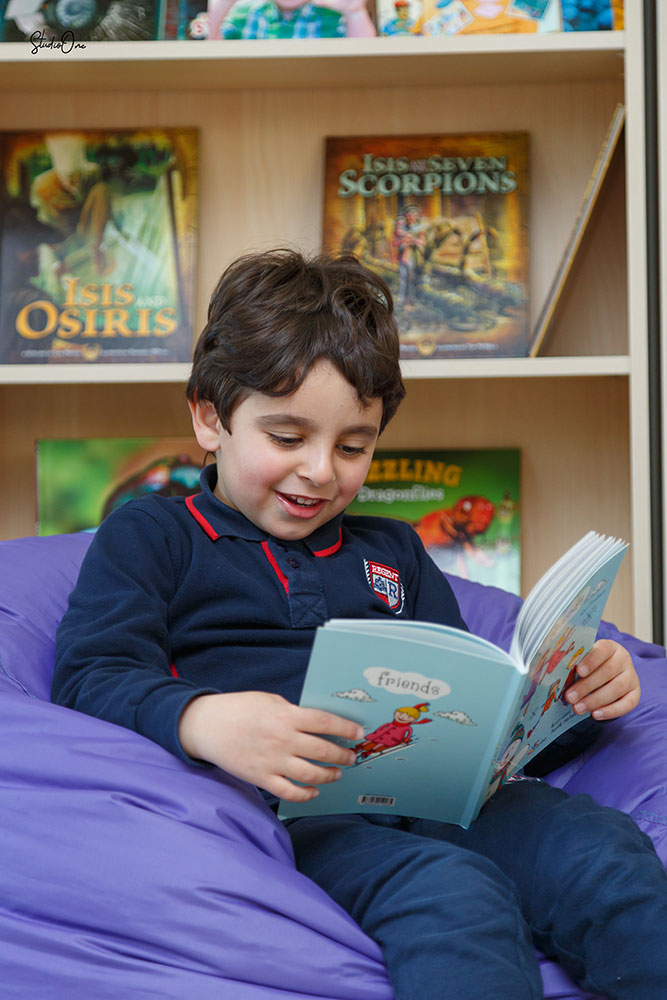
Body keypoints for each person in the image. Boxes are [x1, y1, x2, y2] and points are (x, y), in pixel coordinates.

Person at [52, 248, 667, 1000]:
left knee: (598, 849)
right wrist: (203, 720)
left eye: (353, 446)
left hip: (447, 797)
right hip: (300, 821)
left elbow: (477, 716)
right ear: (210, 418)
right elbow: (90, 675)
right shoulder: (154, 534)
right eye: (287, 438)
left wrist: (574, 697)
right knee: (452, 895)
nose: (321, 471)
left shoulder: (394, 549)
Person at [218, 0, 376, 39]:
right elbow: (210, 61)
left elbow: (365, 65)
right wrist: (221, 5)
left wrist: (354, 13)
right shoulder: (243, 14)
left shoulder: (334, 16)